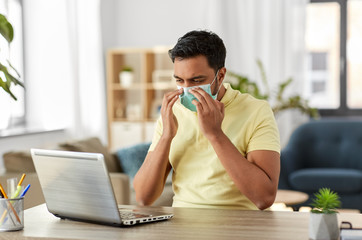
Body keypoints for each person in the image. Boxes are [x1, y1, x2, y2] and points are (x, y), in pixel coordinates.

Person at [133, 30, 280, 210]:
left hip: (239, 223)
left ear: (220, 75)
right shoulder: (173, 112)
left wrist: (215, 134)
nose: (187, 89)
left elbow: (264, 197)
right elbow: (143, 197)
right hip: (182, 222)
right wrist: (166, 136)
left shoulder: (256, 111)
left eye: (196, 80)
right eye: (180, 80)